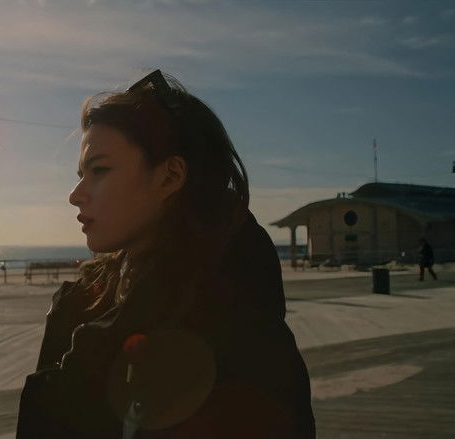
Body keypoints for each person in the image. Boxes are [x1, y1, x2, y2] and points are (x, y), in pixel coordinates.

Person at [16, 70, 315, 438]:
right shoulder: (92, 303)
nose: (75, 195)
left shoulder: (238, 338)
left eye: (99, 170)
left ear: (170, 176)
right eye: (81, 174)